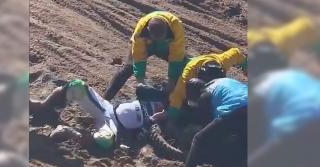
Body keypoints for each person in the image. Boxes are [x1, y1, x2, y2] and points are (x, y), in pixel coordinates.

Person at [30, 79, 167, 150]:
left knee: (105, 141)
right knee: (77, 86)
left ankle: (69, 133)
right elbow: (140, 89)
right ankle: (44, 108)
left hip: (114, 125)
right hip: (107, 107)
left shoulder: (164, 122)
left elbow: (140, 138)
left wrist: (151, 121)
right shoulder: (156, 95)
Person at [152, 47, 246, 135]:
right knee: (179, 93)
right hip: (189, 64)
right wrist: (170, 118)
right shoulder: (188, 74)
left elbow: (236, 53)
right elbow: (178, 96)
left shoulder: (223, 62)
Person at [176, 77, 248, 167]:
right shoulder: (221, 81)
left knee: (199, 139)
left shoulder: (205, 95)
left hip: (237, 109)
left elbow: (207, 126)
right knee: (243, 142)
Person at [103, 11, 187, 100]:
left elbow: (176, 58)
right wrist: (141, 82)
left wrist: (171, 82)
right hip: (147, 45)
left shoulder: (176, 27)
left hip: (166, 47)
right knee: (128, 68)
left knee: (182, 68)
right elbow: (138, 57)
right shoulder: (141, 30)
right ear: (147, 30)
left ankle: (180, 101)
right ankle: (106, 99)